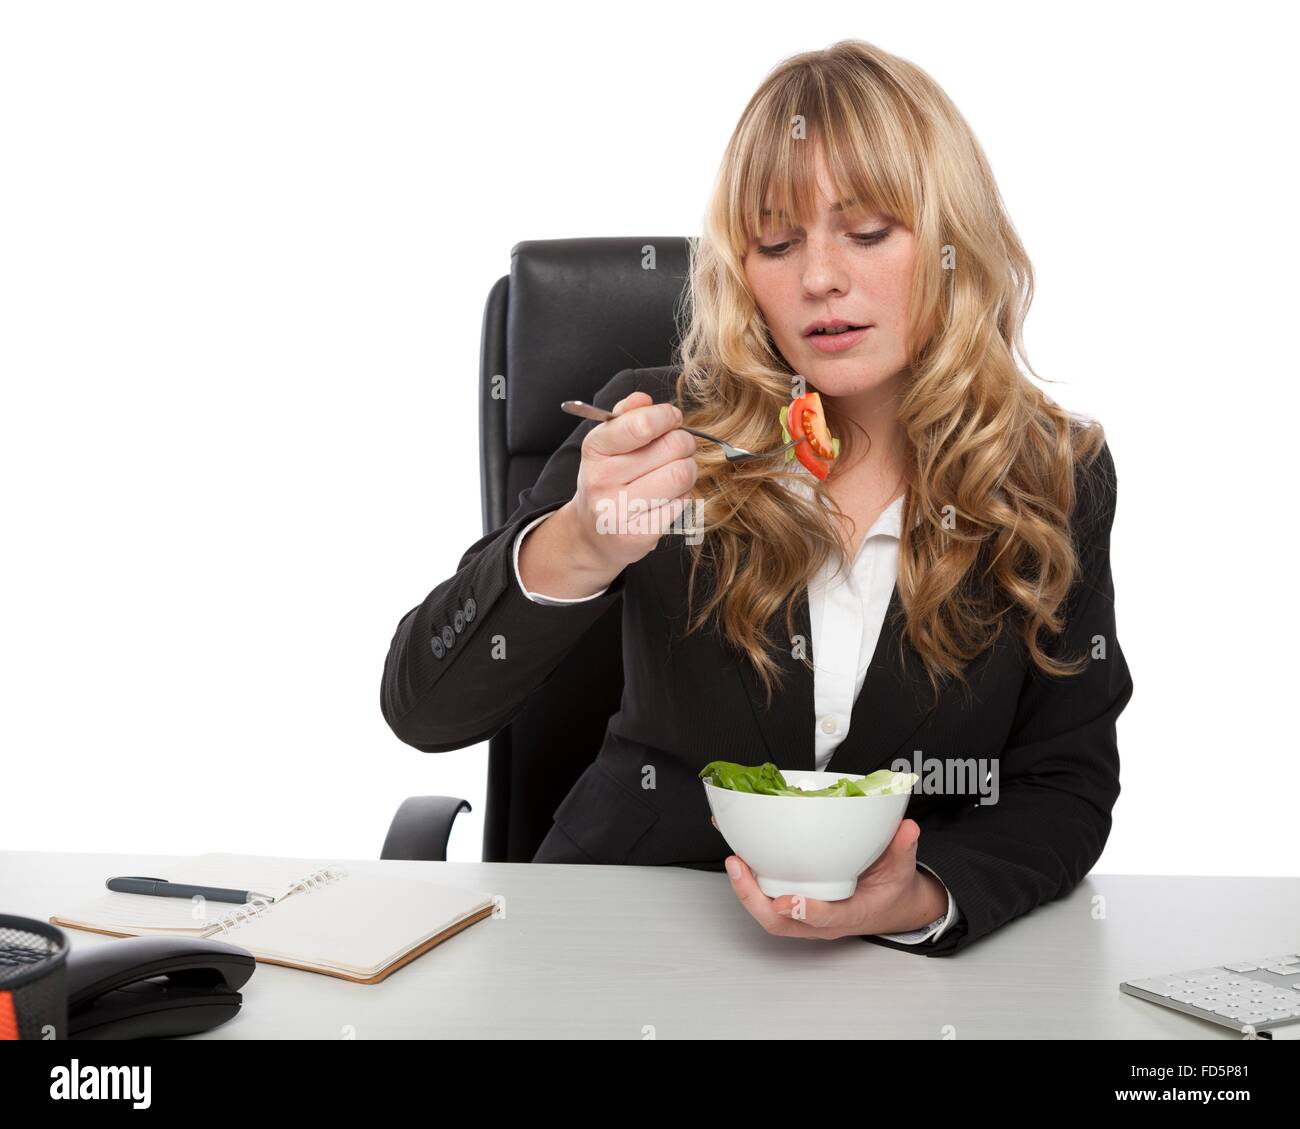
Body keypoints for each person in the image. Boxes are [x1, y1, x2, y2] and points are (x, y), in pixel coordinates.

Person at [380, 39, 1134, 956]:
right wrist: (579, 541)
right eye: (777, 242)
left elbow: (1065, 784)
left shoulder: (1052, 474)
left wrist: (920, 895)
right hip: (618, 938)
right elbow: (422, 707)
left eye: (866, 232)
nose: (819, 277)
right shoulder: (657, 424)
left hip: (895, 981)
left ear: (949, 243)